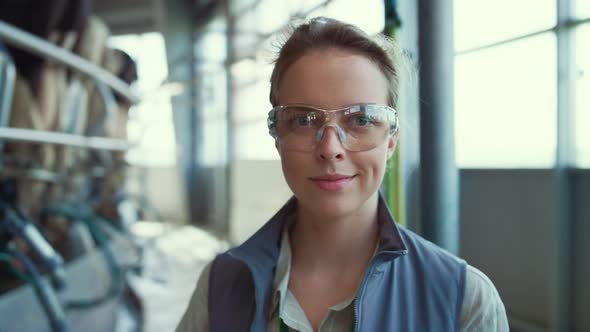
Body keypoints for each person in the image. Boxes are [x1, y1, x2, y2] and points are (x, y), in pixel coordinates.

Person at [176, 16, 509, 332]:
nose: (330, 148)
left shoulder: (463, 300)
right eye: (303, 120)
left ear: (391, 139)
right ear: (277, 136)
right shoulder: (222, 287)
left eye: (361, 119)